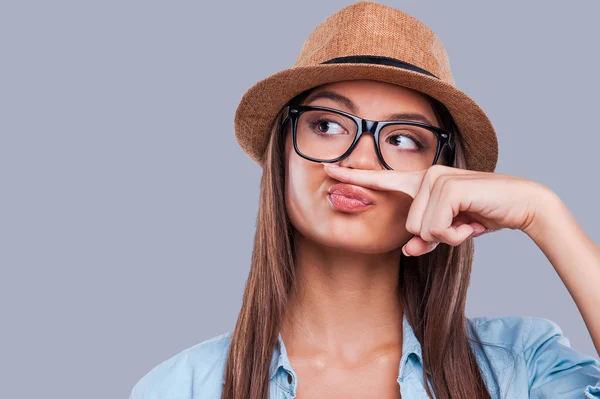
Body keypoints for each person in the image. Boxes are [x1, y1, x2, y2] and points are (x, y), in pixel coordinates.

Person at [129, 2, 600, 398]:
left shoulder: (520, 369)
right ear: (282, 156)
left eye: (402, 139)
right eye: (328, 125)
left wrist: (546, 215)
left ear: (445, 174)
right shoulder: (181, 387)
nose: (359, 160)